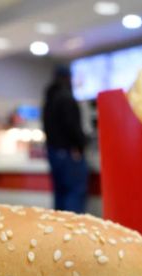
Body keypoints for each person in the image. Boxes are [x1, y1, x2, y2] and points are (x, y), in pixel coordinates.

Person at [42, 65, 88, 213]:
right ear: (68, 78)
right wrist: (81, 145)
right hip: (69, 153)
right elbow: (72, 127)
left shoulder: (49, 98)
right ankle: (72, 233)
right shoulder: (66, 98)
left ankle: (59, 233)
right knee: (74, 194)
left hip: (53, 152)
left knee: (60, 195)